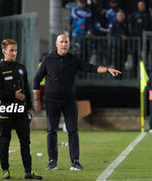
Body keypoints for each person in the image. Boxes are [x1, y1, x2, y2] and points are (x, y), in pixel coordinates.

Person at [33, 34, 121, 171]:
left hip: (69, 100)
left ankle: (75, 162)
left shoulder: (73, 60)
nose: (63, 44)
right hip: (52, 101)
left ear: (69, 44)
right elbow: (36, 80)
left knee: (73, 130)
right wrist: (37, 100)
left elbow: (91, 67)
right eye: (61, 42)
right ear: (56, 44)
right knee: (52, 131)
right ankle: (52, 162)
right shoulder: (48, 60)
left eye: (66, 42)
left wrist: (108, 69)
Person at [0, 38, 43, 180]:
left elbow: (26, 89)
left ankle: (28, 171)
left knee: (25, 141)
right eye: (11, 50)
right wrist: (13, 95)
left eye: (15, 50)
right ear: (4, 51)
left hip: (21, 111)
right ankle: (5, 170)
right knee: (5, 141)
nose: (14, 53)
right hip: (6, 110)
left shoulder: (21, 68)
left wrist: (29, 108)